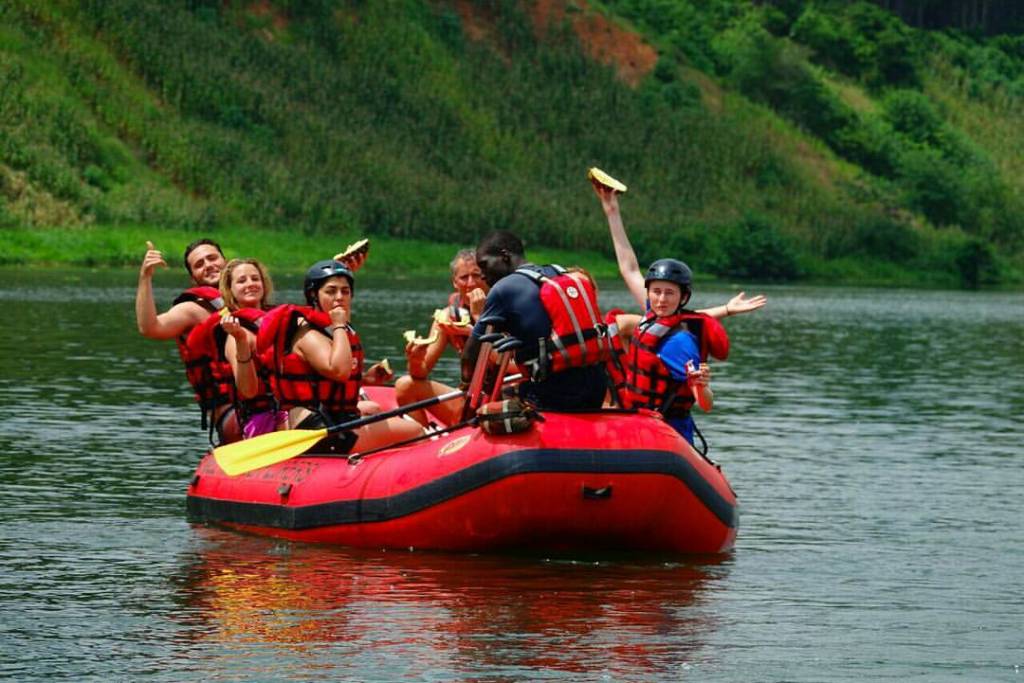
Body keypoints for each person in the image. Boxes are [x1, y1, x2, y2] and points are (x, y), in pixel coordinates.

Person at [256, 260, 422, 453]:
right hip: (317, 428)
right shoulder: (309, 335)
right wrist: (339, 325)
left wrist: (367, 378)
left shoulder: (328, 328)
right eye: (331, 291)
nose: (339, 297)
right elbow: (339, 371)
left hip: (332, 418)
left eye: (345, 291)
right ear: (313, 295)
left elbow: (327, 381)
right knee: (416, 431)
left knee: (374, 408)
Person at [462, 231, 610, 411]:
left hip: (555, 395)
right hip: (597, 387)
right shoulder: (560, 273)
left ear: (504, 256)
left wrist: (465, 382)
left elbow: (471, 355)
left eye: (484, 265)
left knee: (490, 408)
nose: (483, 276)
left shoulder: (503, 289)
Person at [591, 183, 767, 319]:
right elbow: (629, 269)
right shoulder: (650, 313)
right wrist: (612, 213)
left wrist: (728, 310)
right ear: (649, 293)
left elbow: (695, 318)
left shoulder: (684, 326)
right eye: (657, 292)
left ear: (683, 298)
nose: (661, 300)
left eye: (669, 293)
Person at [182, 258, 286, 442]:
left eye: (255, 278)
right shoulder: (232, 335)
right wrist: (241, 340)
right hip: (257, 419)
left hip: (288, 411)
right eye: (242, 281)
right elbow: (248, 391)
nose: (250, 284)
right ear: (230, 290)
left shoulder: (280, 319)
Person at [136, 238, 232, 435]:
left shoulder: (250, 297)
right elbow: (150, 327)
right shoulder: (192, 310)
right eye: (199, 264)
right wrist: (145, 277)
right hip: (231, 411)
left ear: (226, 262)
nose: (208, 265)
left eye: (212, 258)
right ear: (193, 278)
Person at [394, 249, 489, 425]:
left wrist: (477, 324)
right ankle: (426, 443)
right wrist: (415, 359)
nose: (471, 283)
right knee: (405, 385)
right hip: (471, 395)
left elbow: (518, 364)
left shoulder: (503, 307)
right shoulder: (447, 317)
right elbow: (420, 373)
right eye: (464, 277)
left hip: (504, 395)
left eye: (477, 276)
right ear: (455, 282)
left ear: (487, 277)